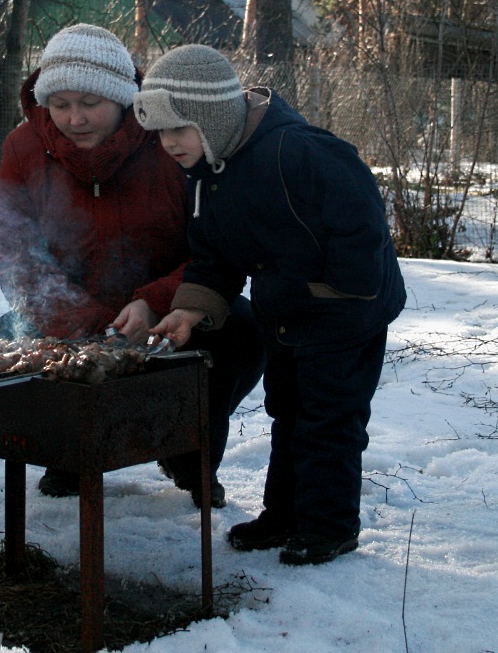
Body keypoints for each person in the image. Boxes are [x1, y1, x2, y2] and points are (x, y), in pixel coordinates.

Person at [133, 44, 407, 565]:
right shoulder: (208, 172)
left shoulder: (296, 150)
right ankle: (284, 516)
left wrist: (340, 290)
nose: (167, 144)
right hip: (286, 314)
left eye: (179, 129)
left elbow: (362, 218)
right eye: (160, 133)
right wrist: (190, 309)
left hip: (345, 312)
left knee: (328, 419)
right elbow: (213, 257)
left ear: (213, 116)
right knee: (288, 411)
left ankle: (329, 527)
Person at [0, 24, 266, 506]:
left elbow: (215, 248)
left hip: (166, 308)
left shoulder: (171, 141)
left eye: (90, 102)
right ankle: (71, 451)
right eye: (61, 104)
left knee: (241, 333)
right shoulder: (23, 147)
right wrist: (83, 322)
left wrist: (155, 302)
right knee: (0, 343)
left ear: (122, 97)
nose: (75, 119)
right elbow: (13, 249)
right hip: (69, 311)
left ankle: (189, 449)